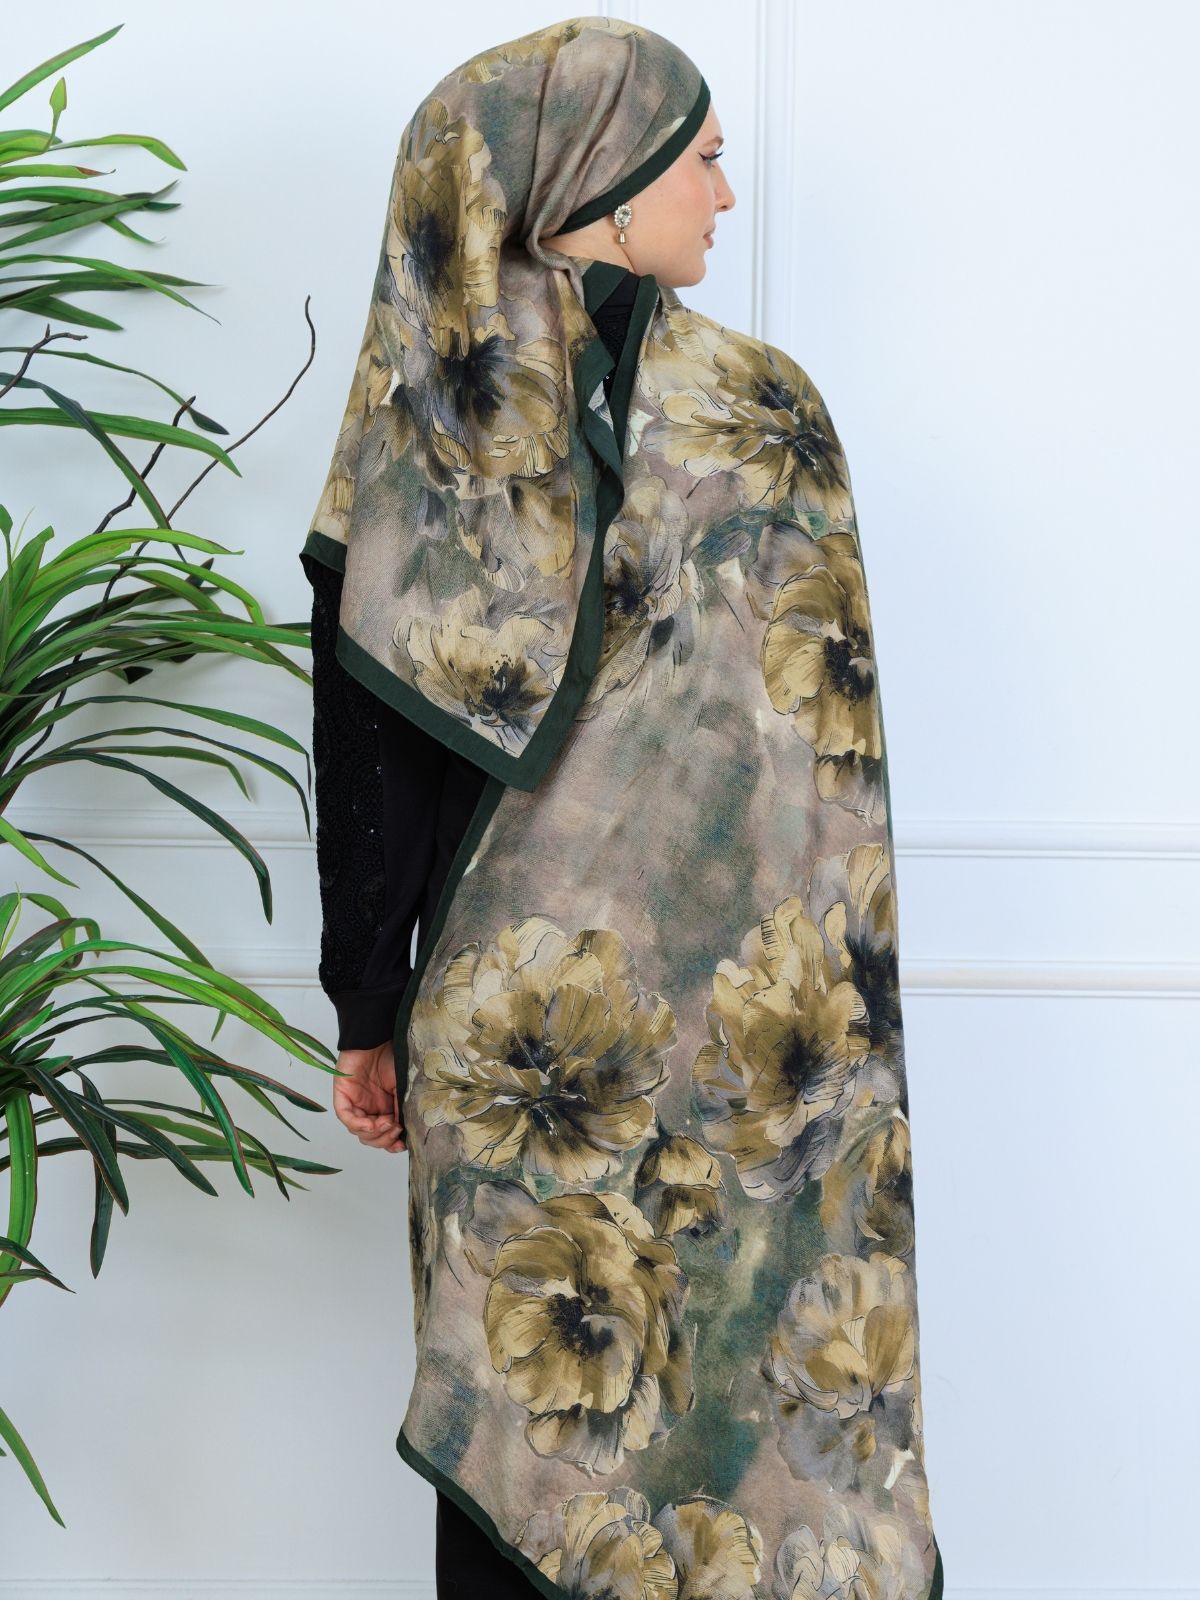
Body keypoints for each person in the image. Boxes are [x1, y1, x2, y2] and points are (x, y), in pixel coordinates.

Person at [301, 16, 945, 1599]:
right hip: (726, 1062)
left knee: (559, 1430)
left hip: (557, 1060)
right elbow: (824, 784)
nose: (725, 192)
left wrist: (369, 1008)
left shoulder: (436, 420)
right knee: (683, 1431)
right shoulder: (755, 411)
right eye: (702, 159)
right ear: (600, 180)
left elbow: (374, 744)